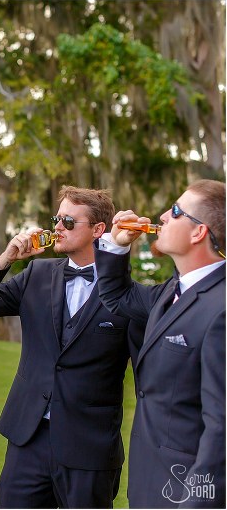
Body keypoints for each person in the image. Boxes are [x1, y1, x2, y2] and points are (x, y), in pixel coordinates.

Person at [0, 186, 144, 508]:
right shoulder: (36, 274)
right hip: (28, 437)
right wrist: (6, 260)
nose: (57, 227)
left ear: (99, 230)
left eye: (69, 222)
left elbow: (146, 376)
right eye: (57, 219)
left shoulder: (129, 297)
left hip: (90, 446)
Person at [94, 179, 225, 508]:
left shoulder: (222, 309)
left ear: (199, 233)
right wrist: (118, 245)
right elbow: (120, 297)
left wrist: (198, 501)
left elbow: (222, 427)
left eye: (177, 211)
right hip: (149, 481)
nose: (164, 216)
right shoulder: (171, 292)